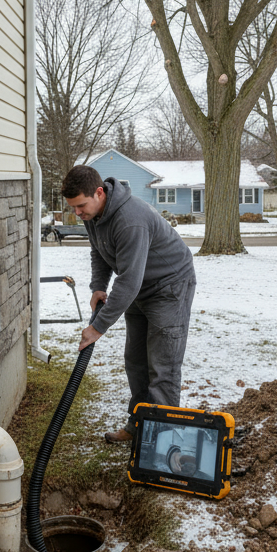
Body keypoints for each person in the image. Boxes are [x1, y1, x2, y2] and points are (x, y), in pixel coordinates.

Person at [62, 166, 196, 443]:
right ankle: (138, 426)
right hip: (138, 287)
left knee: (162, 366)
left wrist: (97, 327)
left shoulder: (130, 219)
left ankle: (160, 442)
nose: (77, 213)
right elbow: (99, 251)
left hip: (169, 286)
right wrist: (98, 287)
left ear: (99, 193)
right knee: (136, 362)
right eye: (73, 207)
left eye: (81, 205)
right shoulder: (94, 214)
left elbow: (129, 281)